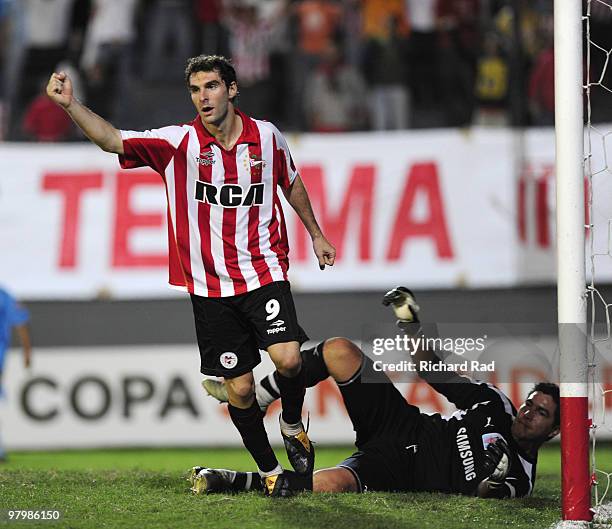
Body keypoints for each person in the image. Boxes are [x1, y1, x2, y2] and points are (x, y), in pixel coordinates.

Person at [46, 54, 336, 496]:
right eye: (196, 89)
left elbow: (290, 181)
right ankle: (271, 470)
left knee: (290, 358)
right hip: (209, 288)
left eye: (212, 86)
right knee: (239, 390)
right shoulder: (179, 142)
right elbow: (113, 140)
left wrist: (315, 233)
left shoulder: (268, 137)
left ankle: (293, 422)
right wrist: (71, 105)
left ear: (232, 90)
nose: (203, 97)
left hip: (263, 271)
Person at [197, 287, 559, 498]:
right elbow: (431, 368)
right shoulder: (495, 404)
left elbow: (491, 495)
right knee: (340, 350)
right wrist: (411, 323)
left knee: (329, 484)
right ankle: (263, 400)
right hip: (404, 426)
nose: (528, 412)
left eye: (541, 413)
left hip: (402, 472)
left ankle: (234, 480)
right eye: (531, 403)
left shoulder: (520, 478)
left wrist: (493, 479)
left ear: (553, 432)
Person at [0, 286, 32, 461]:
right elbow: (21, 322)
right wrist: (27, 352)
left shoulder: (3, 296)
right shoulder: (4, 295)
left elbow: (20, 322)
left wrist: (27, 352)